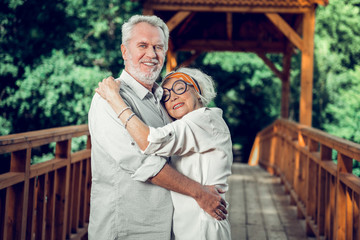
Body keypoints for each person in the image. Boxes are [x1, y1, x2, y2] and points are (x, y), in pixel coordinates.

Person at [88, 15, 227, 240]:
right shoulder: (109, 98)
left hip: (167, 227)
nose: (151, 54)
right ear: (125, 51)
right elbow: (144, 164)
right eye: (142, 45)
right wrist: (199, 192)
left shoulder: (164, 100)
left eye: (158, 47)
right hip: (127, 228)